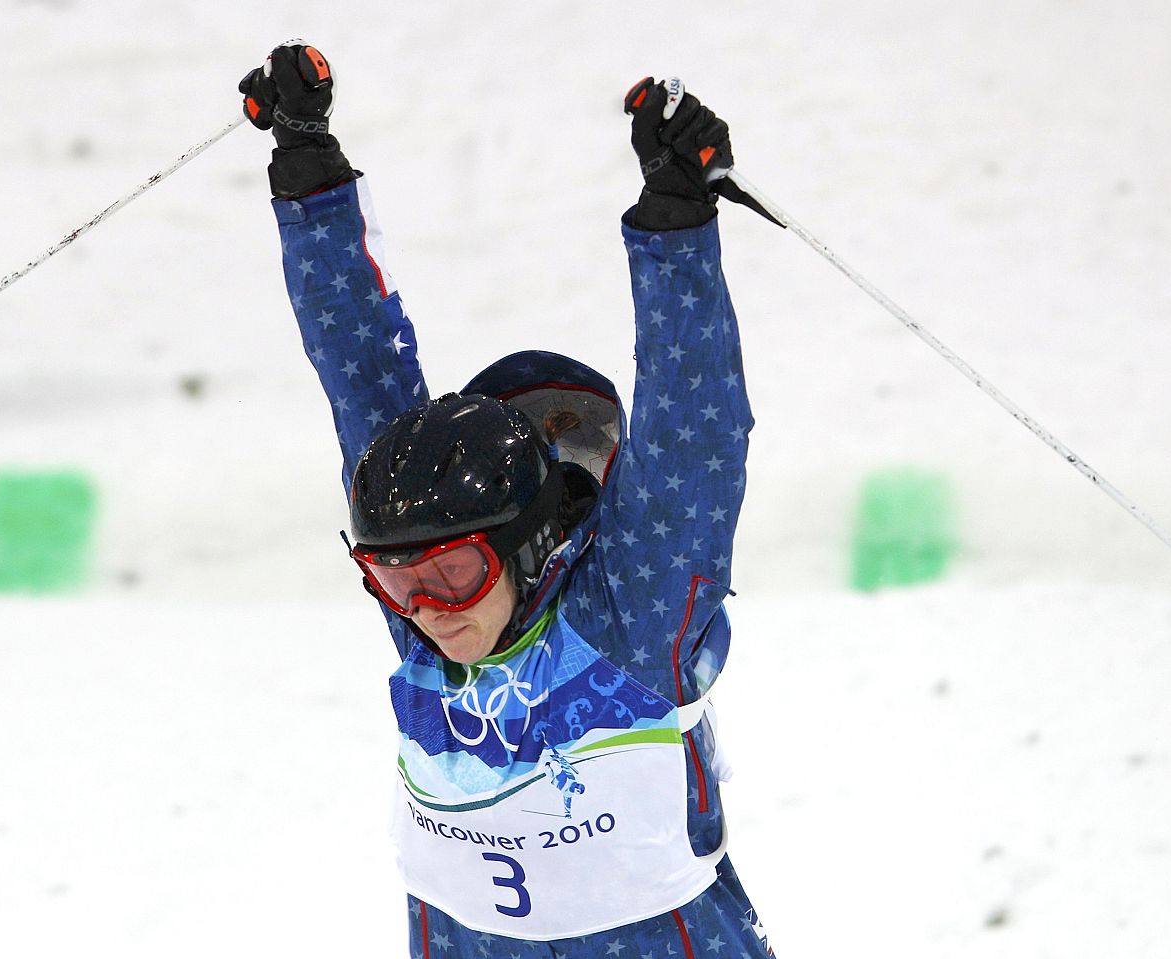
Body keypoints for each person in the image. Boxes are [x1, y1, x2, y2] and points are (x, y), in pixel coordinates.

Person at [240, 42, 775, 958]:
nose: (424, 616)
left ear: (528, 546)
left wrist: (676, 227)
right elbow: (360, 374)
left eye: (450, 575)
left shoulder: (630, 620)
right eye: (393, 582)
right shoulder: (429, 612)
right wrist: (306, 166)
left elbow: (698, 431)